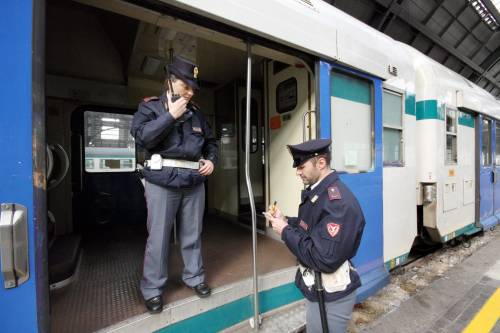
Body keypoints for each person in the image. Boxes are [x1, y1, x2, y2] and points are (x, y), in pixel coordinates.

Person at [130, 56, 218, 314]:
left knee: (192, 234)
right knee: (158, 237)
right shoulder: (150, 107)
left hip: (193, 181)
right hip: (162, 181)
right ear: (170, 81)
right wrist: (169, 116)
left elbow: (211, 142)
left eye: (193, 88)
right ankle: (153, 289)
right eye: (185, 85)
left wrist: (212, 161)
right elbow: (142, 137)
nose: (190, 92)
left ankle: (194, 277)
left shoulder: (198, 113)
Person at [264, 139, 364, 333]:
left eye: (301, 166)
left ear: (321, 163)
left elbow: (322, 257)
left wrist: (284, 231)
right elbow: (310, 228)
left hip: (332, 295)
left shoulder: (337, 203)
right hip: (319, 289)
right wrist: (285, 220)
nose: (297, 172)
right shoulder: (320, 193)